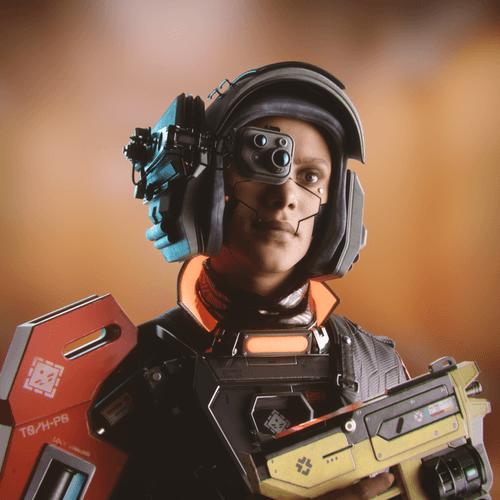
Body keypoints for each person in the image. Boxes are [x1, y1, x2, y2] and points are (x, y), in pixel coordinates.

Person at [108, 62, 408, 499]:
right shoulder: (136, 373)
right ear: (207, 186)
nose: (285, 195)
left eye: (310, 177)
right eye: (262, 162)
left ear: (339, 208)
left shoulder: (377, 368)